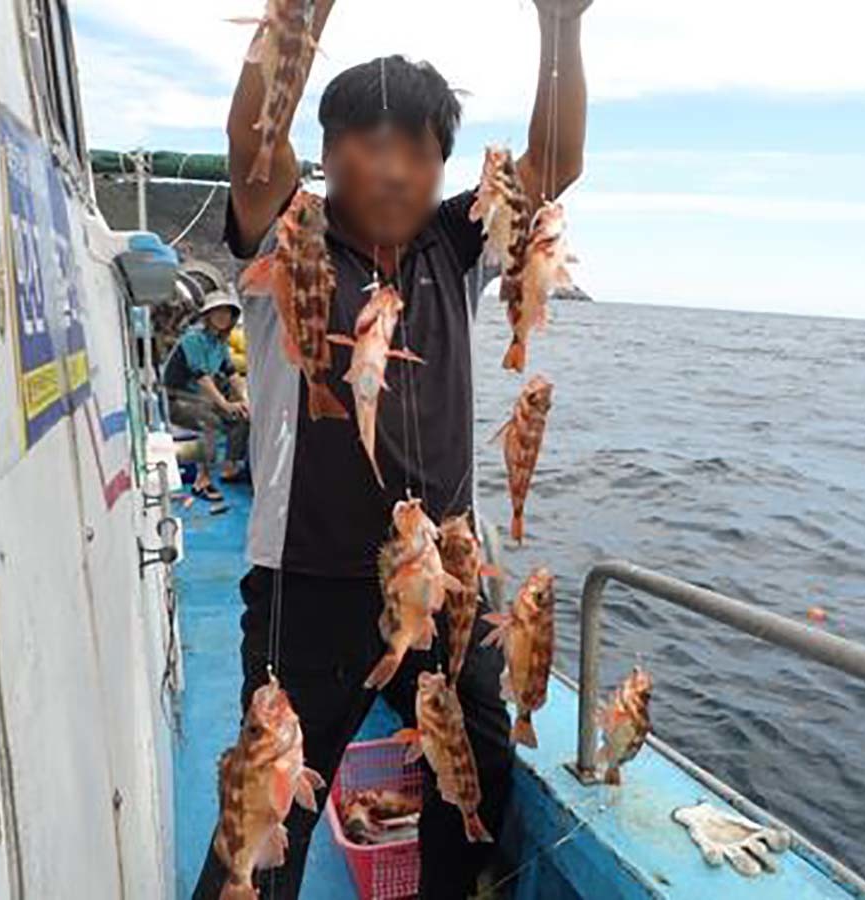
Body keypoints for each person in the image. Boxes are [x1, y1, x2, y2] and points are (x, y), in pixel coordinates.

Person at [191, 1, 590, 897]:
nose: (393, 168)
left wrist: (561, 25)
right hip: (310, 590)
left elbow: (555, 168)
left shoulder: (455, 246)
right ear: (325, 156)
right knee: (266, 804)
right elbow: (252, 140)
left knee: (476, 770)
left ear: (443, 167)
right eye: (366, 144)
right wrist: (299, 13)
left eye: (418, 150)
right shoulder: (289, 239)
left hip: (443, 579)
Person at [163, 291, 251, 502]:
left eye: (227, 313)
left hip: (201, 397)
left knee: (242, 417)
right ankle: (201, 481)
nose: (223, 316)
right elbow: (202, 377)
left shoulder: (219, 343)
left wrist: (246, 401)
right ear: (208, 315)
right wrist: (224, 404)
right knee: (209, 422)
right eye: (217, 312)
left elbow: (232, 374)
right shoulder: (193, 339)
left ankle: (229, 468)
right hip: (177, 399)